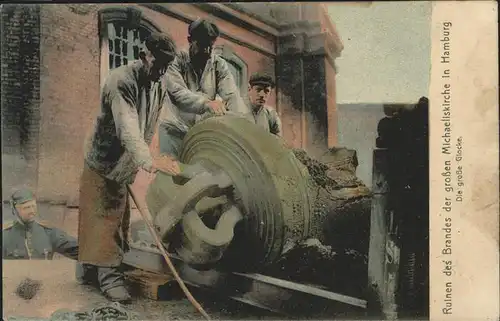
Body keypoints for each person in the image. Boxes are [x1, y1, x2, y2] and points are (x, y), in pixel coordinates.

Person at [78, 32, 179, 303]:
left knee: (116, 218)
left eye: (166, 67)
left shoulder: (158, 81)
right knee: (103, 217)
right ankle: (108, 279)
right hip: (103, 161)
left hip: (124, 163)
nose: (161, 72)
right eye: (158, 64)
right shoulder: (121, 81)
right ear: (143, 55)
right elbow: (128, 129)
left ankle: (90, 270)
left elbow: (162, 115)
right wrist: (150, 160)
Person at [160, 18, 249, 159]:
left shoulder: (218, 64)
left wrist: (244, 123)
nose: (207, 51)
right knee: (171, 175)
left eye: (210, 46)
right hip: (174, 132)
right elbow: (177, 93)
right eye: (202, 45)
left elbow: (232, 95)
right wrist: (206, 103)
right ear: (190, 40)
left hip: (201, 135)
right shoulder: (176, 60)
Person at [2, 188, 79, 260]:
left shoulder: (49, 233)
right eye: (26, 208)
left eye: (33, 206)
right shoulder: (4, 236)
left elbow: (79, 251)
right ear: (14, 210)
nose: (32, 211)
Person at [246, 72, 282, 137]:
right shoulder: (238, 109)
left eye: (266, 91)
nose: (262, 95)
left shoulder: (271, 115)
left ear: (270, 93)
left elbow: (278, 142)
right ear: (249, 89)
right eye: (258, 90)